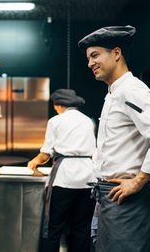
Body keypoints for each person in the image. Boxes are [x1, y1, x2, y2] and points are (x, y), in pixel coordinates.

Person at [77, 25, 150, 252]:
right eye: (88, 58)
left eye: (95, 55)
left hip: (125, 200)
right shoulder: (114, 92)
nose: (90, 64)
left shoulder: (131, 90)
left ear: (116, 53)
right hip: (109, 196)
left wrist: (138, 180)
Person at [27, 89, 96, 252]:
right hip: (88, 179)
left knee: (53, 227)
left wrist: (34, 161)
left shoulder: (56, 121)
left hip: (64, 179)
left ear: (58, 105)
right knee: (81, 229)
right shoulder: (88, 121)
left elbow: (46, 154)